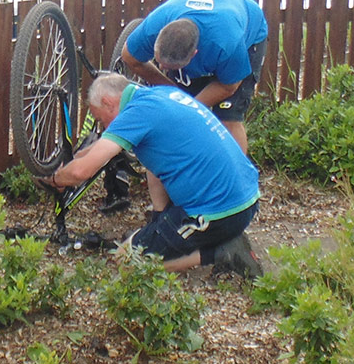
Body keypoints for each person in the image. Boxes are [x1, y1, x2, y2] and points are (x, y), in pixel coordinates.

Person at [38, 73, 262, 277]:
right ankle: (167, 224)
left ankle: (221, 251)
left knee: (127, 260)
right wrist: (159, 219)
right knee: (152, 164)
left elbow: (80, 172)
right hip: (246, 196)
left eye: (100, 119)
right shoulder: (161, 94)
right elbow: (108, 151)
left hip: (220, 211)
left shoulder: (136, 115)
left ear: (108, 103)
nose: (102, 126)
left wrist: (55, 179)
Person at [121, 0, 267, 153]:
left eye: (169, 67)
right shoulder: (154, 26)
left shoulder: (227, 44)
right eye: (159, 61)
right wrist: (172, 88)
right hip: (210, 24)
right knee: (180, 115)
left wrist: (188, 107)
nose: (160, 67)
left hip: (248, 31)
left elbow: (229, 86)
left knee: (228, 118)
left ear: (194, 54)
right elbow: (130, 57)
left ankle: (239, 177)